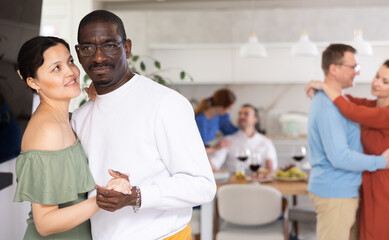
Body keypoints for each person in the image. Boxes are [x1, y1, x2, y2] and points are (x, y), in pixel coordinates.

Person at [71, 10, 216, 240]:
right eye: (88, 48)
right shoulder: (80, 116)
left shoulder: (166, 103)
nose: (98, 57)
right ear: (79, 54)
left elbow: (203, 186)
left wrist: (136, 196)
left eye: (109, 45)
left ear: (127, 48)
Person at [13, 36, 130, 239]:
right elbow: (45, 222)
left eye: (70, 61)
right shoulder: (47, 131)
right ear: (33, 82)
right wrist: (102, 200)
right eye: (56, 68)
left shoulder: (64, 119)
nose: (70, 72)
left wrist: (98, 97)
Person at [305, 57, 389, 240]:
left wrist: (324, 87)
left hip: (383, 191)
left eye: (385, 81)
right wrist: (320, 85)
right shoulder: (373, 105)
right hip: (365, 186)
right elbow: (347, 100)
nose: (376, 83)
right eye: (377, 76)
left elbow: (349, 110)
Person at [210, 104, 277, 172]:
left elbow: (273, 167)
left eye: (246, 114)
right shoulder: (227, 140)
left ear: (255, 119)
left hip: (259, 181)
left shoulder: (266, 141)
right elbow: (215, 163)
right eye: (240, 113)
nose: (241, 116)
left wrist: (270, 167)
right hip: (234, 181)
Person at [194, 88, 238, 154]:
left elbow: (229, 131)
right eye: (229, 108)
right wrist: (216, 148)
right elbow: (195, 150)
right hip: (200, 154)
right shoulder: (199, 121)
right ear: (220, 107)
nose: (231, 110)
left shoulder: (222, 116)